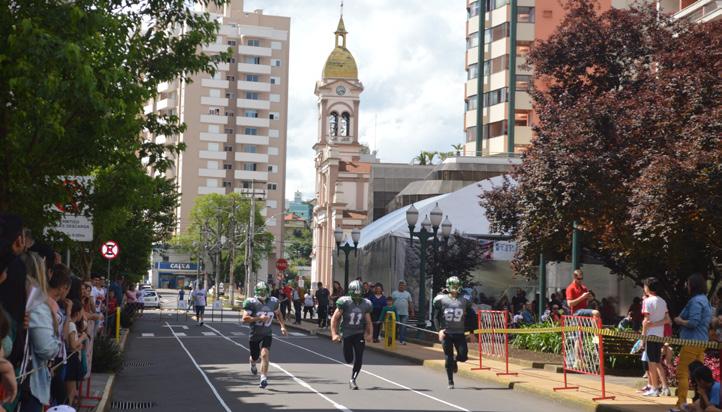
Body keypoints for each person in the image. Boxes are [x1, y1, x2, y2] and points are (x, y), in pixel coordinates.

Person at [673, 273, 713, 411]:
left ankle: (681, 404)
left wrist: (679, 321)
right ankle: (699, 404)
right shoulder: (705, 300)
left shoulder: (695, 301)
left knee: (682, 373)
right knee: (698, 376)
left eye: (688, 283)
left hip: (692, 342)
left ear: (692, 285)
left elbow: (693, 322)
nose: (686, 286)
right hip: (701, 342)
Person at [242, 281, 287, 389]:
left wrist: (282, 326)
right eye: (260, 291)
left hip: (267, 333)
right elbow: (244, 319)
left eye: (264, 291)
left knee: (265, 355)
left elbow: (278, 313)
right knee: (255, 357)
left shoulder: (273, 301)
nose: (262, 293)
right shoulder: (251, 302)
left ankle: (263, 378)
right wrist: (259, 318)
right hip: (254, 334)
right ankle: (252, 363)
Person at [433, 276, 475, 389]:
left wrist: (471, 331)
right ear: (448, 286)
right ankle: (450, 381)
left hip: (459, 332)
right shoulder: (441, 299)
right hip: (446, 333)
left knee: (463, 356)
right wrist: (439, 330)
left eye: (457, 286)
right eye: (453, 286)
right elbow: (436, 317)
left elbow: (472, 316)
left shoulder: (464, 300)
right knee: (448, 356)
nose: (455, 288)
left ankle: (456, 361)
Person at [331, 280, 372, 390]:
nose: (358, 295)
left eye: (359, 293)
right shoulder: (345, 302)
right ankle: (352, 377)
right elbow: (335, 319)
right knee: (349, 359)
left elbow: (368, 321)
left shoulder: (366, 303)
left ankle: (353, 379)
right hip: (347, 333)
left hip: (359, 333)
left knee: (359, 357)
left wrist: (369, 334)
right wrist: (334, 334)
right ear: (351, 292)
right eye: (356, 293)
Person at [640, 277, 670, 397]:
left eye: (645, 286)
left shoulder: (646, 301)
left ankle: (654, 388)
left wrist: (643, 336)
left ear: (648, 287)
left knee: (651, 363)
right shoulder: (663, 301)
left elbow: (646, 322)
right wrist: (656, 324)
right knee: (656, 361)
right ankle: (660, 388)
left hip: (650, 335)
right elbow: (667, 319)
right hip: (659, 335)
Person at [391, 280, 414, 345]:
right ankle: (394, 339)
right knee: (394, 327)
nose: (401, 286)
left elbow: (410, 303)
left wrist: (412, 311)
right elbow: (391, 302)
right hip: (395, 313)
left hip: (405, 314)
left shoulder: (408, 294)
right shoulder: (394, 293)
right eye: (400, 285)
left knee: (403, 327)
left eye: (403, 285)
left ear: (405, 286)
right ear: (398, 286)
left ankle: (402, 340)